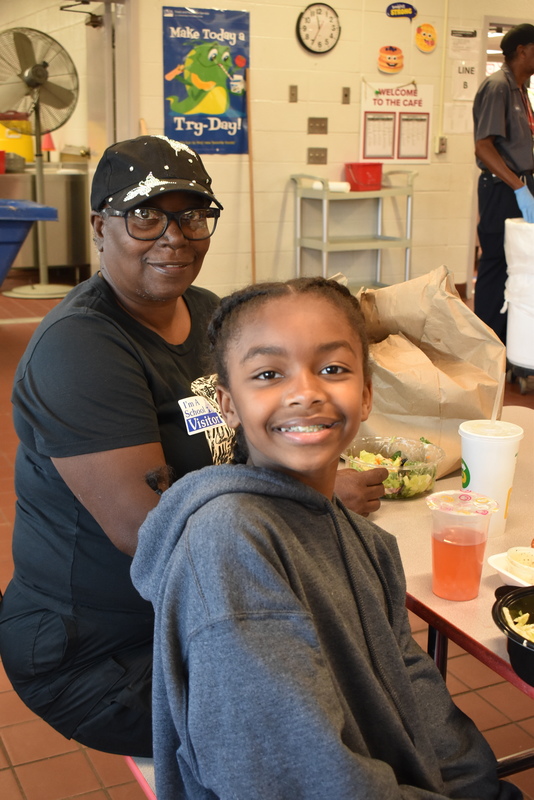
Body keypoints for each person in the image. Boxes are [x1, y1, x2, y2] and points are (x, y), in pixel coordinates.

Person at [0, 136, 386, 758]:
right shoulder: (80, 349)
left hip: (198, 610)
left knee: (361, 665)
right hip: (102, 652)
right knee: (319, 713)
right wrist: (309, 492)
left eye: (192, 216)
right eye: (145, 216)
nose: (173, 237)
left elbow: (253, 434)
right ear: (99, 226)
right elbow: (148, 530)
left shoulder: (209, 314)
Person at [131, 277, 520, 800]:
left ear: (366, 395)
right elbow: (295, 781)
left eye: (332, 369)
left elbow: (410, 681)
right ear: (228, 404)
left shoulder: (366, 542)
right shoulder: (229, 545)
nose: (306, 392)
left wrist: (481, 788)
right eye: (268, 374)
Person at [473, 23, 534, 343]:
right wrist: (518, 187)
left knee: (518, 266)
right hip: (502, 188)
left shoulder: (520, 89)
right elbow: (483, 146)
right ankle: (486, 346)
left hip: (520, 185)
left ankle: (512, 344)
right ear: (522, 51)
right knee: (496, 264)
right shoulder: (497, 86)